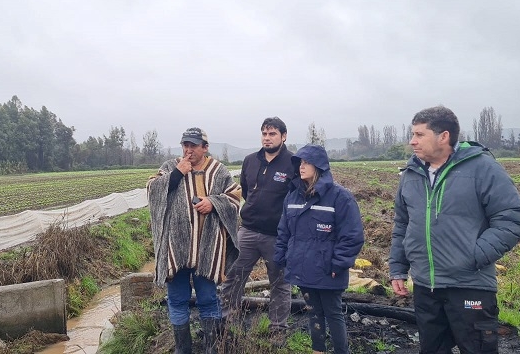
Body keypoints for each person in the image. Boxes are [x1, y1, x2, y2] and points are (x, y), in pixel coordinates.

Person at [389, 106, 520, 354]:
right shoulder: (411, 174)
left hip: (469, 284)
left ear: (444, 136)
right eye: (413, 134)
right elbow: (402, 224)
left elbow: (512, 218)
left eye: (420, 135)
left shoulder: (482, 168)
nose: (412, 141)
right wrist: (398, 268)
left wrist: (472, 255)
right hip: (425, 286)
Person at [147, 127, 242, 354]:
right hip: (176, 248)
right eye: (185, 145)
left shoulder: (218, 171)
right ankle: (183, 350)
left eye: (193, 146)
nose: (188, 150)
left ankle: (211, 349)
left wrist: (213, 203)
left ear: (205, 147)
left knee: (208, 300)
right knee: (177, 300)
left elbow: (235, 197)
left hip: (207, 249)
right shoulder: (171, 167)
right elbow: (152, 190)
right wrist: (177, 174)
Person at [274, 144, 364, 354]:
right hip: (302, 266)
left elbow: (352, 236)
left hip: (327, 268)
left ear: (319, 166)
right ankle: (318, 350)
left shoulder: (340, 197)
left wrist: (339, 263)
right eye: (299, 163)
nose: (301, 167)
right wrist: (281, 257)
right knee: (313, 311)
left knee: (333, 313)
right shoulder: (293, 196)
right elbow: (284, 231)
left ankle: (342, 351)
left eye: (306, 163)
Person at [220, 117, 294, 340]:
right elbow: (244, 190)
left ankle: (278, 329)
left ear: (283, 136)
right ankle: (227, 319)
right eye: (264, 133)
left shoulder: (293, 163)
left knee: (280, 283)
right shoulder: (250, 160)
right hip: (248, 231)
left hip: (277, 235)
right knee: (233, 275)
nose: (267, 138)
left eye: (272, 134)